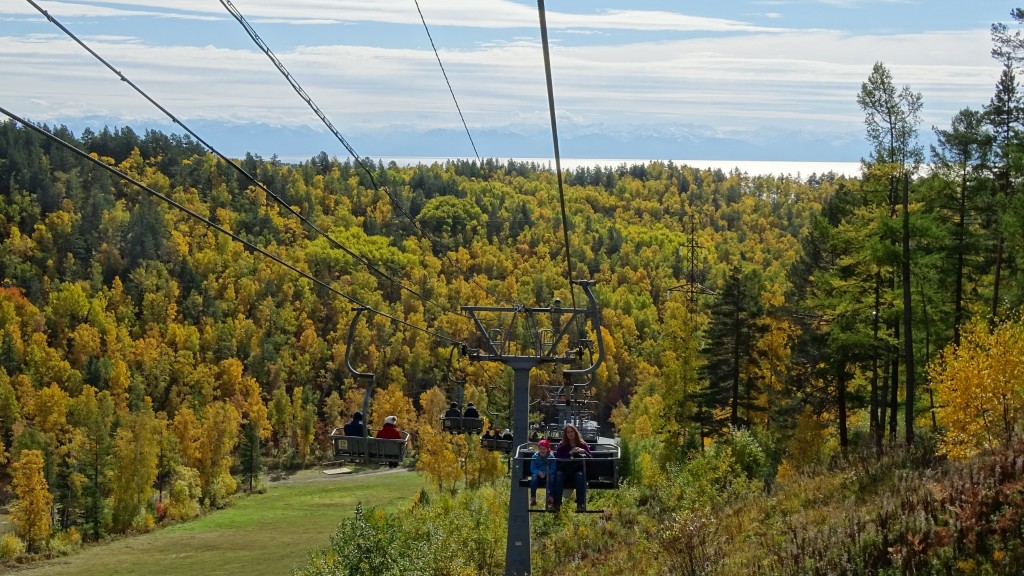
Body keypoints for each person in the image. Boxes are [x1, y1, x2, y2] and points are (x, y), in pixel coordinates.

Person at [551, 424, 591, 512]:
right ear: (566, 434)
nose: (570, 434)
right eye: (568, 432)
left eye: (572, 431)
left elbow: (590, 458)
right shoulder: (562, 445)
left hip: (577, 470)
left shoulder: (582, 444)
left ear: (575, 432)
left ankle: (581, 504)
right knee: (559, 475)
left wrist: (583, 451)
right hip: (565, 470)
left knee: (580, 476)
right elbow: (559, 458)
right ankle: (556, 504)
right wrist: (570, 452)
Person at [530, 439, 556, 507]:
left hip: (548, 473)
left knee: (552, 478)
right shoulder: (535, 456)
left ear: (547, 449)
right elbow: (533, 468)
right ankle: (533, 497)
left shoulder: (551, 457)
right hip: (538, 473)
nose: (542, 450)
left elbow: (553, 468)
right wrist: (538, 472)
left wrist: (547, 472)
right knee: (534, 478)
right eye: (540, 448)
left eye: (544, 449)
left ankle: (551, 496)